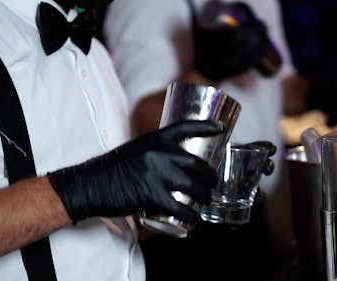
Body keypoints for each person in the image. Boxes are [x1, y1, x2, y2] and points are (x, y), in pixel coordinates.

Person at [0, 0, 225, 280]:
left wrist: (191, 188)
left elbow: (119, 224)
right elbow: (99, 187)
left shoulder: (96, 53)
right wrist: (82, 189)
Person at [103, 0, 300, 279]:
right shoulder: (144, 5)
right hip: (185, 218)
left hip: (251, 209)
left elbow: (279, 89)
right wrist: (208, 71)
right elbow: (147, 117)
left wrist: (315, 93)